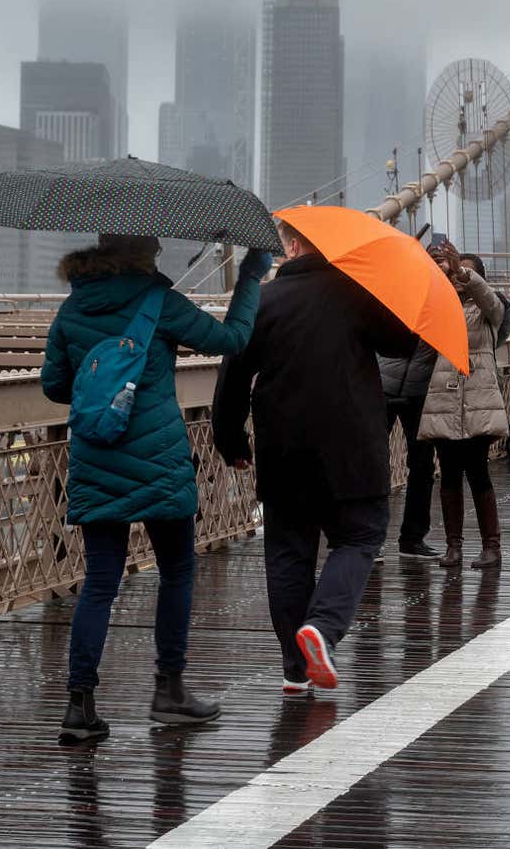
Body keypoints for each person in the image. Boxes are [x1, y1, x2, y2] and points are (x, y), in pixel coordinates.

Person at [40, 234, 267, 743]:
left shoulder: (73, 306)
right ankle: (169, 691)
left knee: (99, 583)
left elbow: (54, 385)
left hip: (96, 456)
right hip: (158, 458)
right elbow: (232, 340)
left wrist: (98, 376)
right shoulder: (159, 300)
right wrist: (250, 277)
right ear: (145, 252)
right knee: (177, 570)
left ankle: (80, 706)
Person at [212, 220, 417, 696]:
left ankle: (294, 668)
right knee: (361, 536)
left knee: (288, 553)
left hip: (283, 450)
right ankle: (322, 629)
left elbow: (232, 380)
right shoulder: (356, 293)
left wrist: (231, 442)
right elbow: (405, 344)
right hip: (353, 450)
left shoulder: (260, 301)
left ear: (293, 245)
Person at [418, 245, 510, 570]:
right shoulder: (441, 309)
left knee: (478, 471)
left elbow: (491, 300)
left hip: (478, 404)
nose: (457, 276)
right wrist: (433, 271)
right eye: (454, 271)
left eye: (465, 272)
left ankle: (492, 547)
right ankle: (453, 547)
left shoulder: (489, 313)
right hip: (444, 402)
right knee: (448, 477)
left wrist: (462, 272)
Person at [379, 336, 441, 558]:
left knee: (423, 465)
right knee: (374, 464)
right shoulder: (396, 304)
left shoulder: (440, 308)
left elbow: (500, 325)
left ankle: (413, 538)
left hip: (419, 390)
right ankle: (372, 537)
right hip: (383, 385)